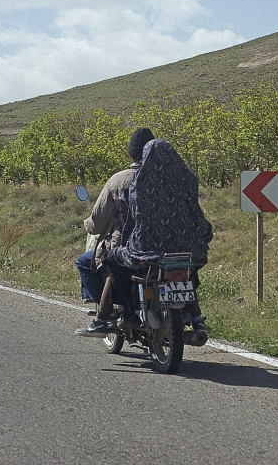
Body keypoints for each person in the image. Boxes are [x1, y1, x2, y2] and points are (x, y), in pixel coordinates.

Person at [83, 137, 213, 337]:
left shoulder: (139, 183)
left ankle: (125, 312)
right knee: (189, 270)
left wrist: (127, 242)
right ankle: (196, 318)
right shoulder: (185, 180)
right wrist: (204, 236)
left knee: (114, 262)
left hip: (146, 249)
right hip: (188, 249)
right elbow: (197, 215)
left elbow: (132, 220)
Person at [74, 127, 154, 337]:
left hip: (127, 247)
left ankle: (105, 315)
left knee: (86, 261)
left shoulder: (118, 180)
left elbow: (97, 223)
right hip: (166, 246)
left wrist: (87, 224)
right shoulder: (165, 179)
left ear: (130, 153)